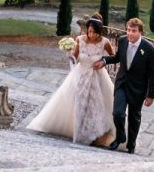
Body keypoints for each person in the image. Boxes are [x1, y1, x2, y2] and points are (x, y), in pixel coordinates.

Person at [27, 17, 116, 146]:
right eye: (89, 31)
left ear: (99, 32)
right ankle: (79, 134)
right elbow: (75, 56)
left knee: (95, 107)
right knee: (79, 105)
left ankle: (94, 134)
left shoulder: (105, 42)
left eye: (94, 32)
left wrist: (103, 62)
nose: (91, 35)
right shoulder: (80, 40)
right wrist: (70, 55)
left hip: (97, 77)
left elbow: (113, 56)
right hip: (80, 76)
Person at [94, 17, 154, 155]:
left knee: (134, 118)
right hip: (122, 83)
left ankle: (131, 144)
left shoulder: (150, 50)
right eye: (128, 30)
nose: (130, 33)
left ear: (140, 32)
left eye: (133, 31)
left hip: (138, 89)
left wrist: (151, 95)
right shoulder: (122, 41)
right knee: (118, 113)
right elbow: (117, 57)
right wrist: (104, 60)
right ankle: (120, 136)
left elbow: (153, 74)